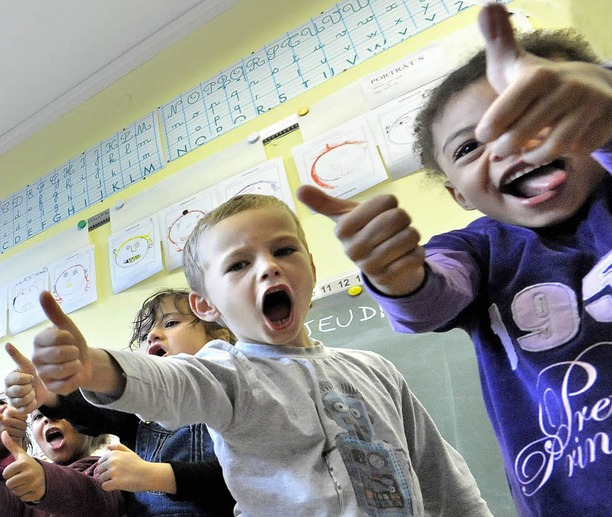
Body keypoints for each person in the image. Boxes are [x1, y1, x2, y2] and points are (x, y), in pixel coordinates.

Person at [296, 3, 612, 516]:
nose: (507, 145)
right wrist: (398, 276)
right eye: (468, 149)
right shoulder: (477, 248)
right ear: (459, 195)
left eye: (535, 115)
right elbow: (433, 296)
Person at [30, 194, 492, 516]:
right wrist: (91, 366)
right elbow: (165, 383)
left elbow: (438, 472)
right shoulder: (226, 373)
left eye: (284, 249)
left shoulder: (375, 369)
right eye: (238, 264)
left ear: (310, 268)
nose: (268, 265)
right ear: (207, 304)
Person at [4, 289, 236, 516]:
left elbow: (241, 479)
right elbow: (94, 413)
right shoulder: (140, 411)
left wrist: (154, 476)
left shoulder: (235, 397)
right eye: (145, 336)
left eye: (170, 323)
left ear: (218, 338)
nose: (153, 335)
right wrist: (49, 395)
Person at [0, 404, 127, 516]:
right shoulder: (25, 489)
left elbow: (103, 501)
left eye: (58, 411)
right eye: (38, 416)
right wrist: (2, 448)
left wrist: (45, 480)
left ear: (89, 425)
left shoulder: (107, 467)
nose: (48, 418)